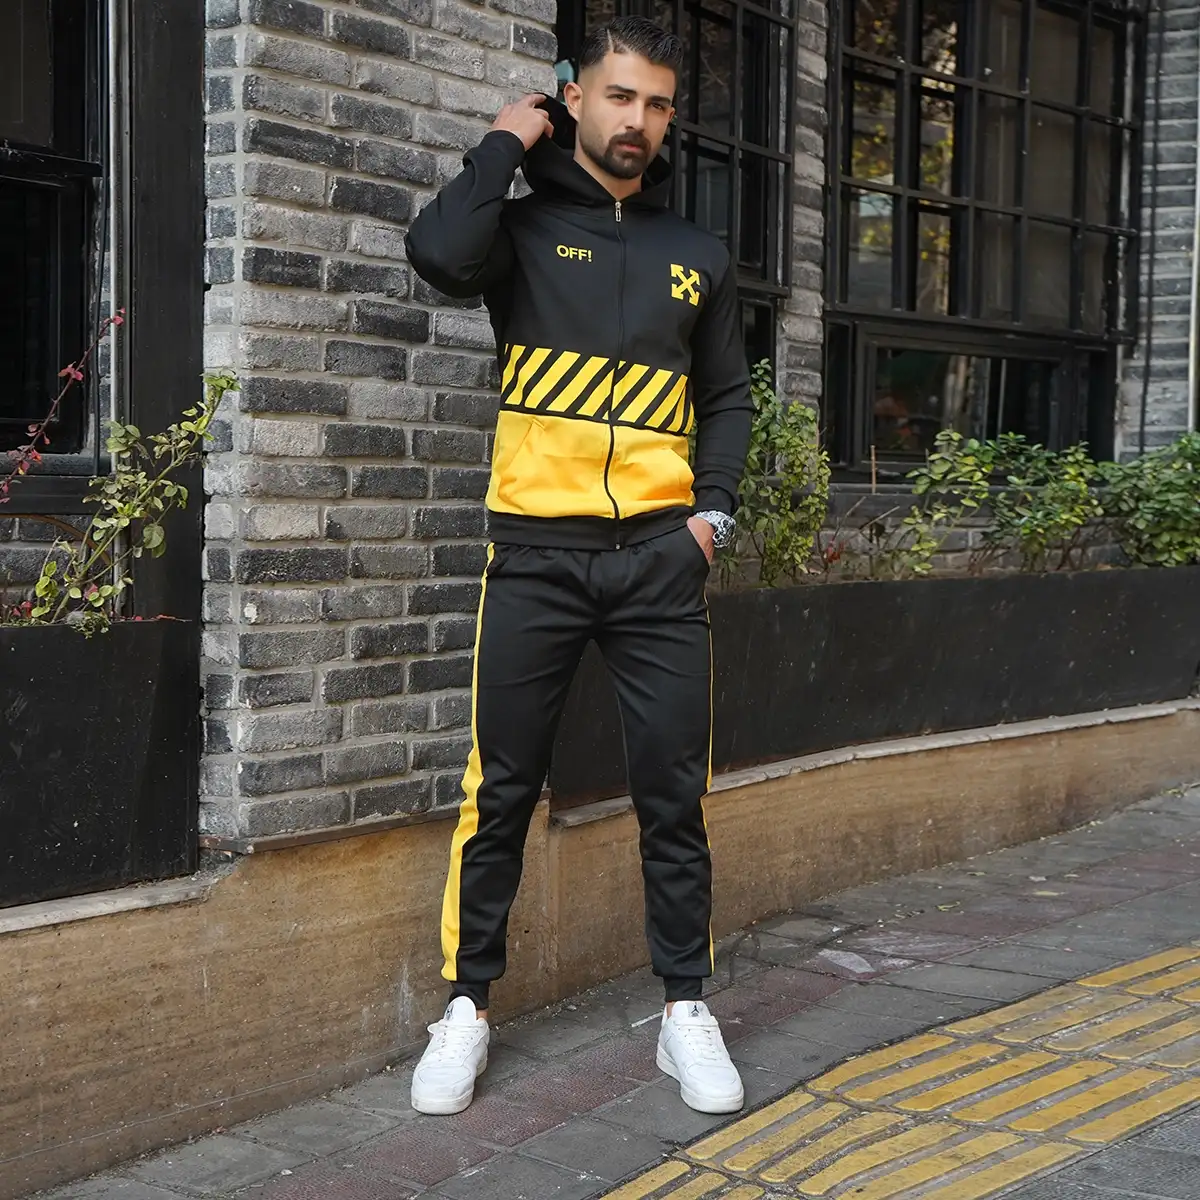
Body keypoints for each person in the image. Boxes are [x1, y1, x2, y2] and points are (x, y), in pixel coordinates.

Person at [403, 15, 753, 1117]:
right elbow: (438, 254)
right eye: (618, 96)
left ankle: (685, 1008)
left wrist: (709, 520)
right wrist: (504, 141)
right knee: (500, 790)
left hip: (658, 562)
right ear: (577, 98)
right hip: (536, 557)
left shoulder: (696, 254)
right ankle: (466, 1008)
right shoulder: (517, 228)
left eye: (657, 103)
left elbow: (728, 397)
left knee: (674, 793)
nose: (638, 120)